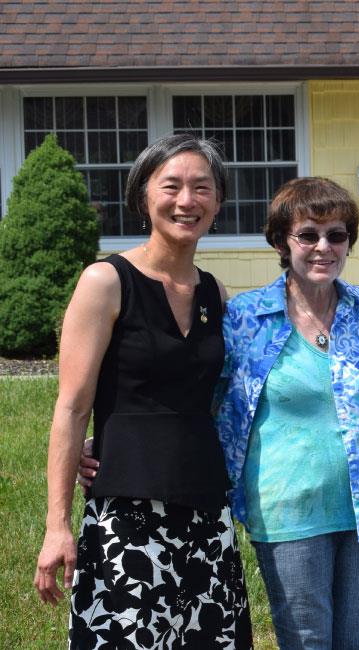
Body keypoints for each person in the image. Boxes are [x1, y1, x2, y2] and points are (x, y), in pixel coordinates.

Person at [34, 134, 252, 647]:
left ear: (218, 202)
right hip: (126, 513)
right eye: (171, 185)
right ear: (143, 195)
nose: (186, 200)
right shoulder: (106, 282)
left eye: (202, 187)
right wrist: (56, 525)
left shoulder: (214, 294)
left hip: (205, 513)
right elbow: (71, 406)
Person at [214, 177, 359, 649]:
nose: (323, 247)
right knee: (306, 640)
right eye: (308, 235)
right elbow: (202, 399)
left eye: (337, 235)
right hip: (287, 509)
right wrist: (107, 442)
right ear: (281, 242)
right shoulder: (246, 318)